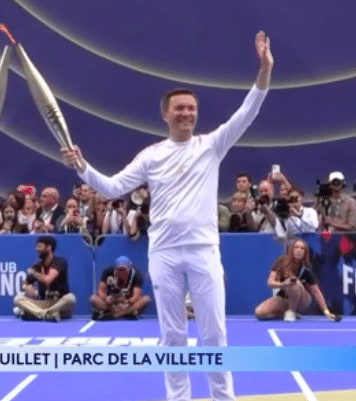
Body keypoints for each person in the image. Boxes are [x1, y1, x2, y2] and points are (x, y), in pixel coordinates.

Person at [61, 31, 273, 401]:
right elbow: (111, 188)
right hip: (164, 254)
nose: (187, 113)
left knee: (214, 334)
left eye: (192, 108)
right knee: (172, 335)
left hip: (204, 251)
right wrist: (83, 168)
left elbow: (249, 110)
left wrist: (265, 69)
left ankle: (223, 397)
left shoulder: (212, 144)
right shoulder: (151, 156)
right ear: (165, 114)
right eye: (180, 108)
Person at [254, 238, 341, 322]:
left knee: (294, 282)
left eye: (302, 248)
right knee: (260, 312)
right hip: (284, 297)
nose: (299, 250)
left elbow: (316, 292)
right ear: (291, 249)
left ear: (305, 253)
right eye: (296, 247)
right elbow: (270, 282)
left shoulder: (305, 270)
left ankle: (291, 311)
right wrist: (283, 284)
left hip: (303, 300)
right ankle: (285, 313)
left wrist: (327, 312)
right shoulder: (280, 262)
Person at [13, 236, 77, 321]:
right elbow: (25, 283)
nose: (37, 249)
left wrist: (34, 273)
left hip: (59, 303)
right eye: (36, 247)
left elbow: (47, 280)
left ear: (49, 247)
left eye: (39, 246)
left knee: (71, 298)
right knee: (18, 299)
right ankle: (45, 314)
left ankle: (37, 314)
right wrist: (27, 288)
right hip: (44, 302)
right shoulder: (37, 266)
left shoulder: (60, 262)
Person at [90, 256, 151, 320]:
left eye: (124, 270)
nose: (122, 272)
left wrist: (127, 301)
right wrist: (106, 299)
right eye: (120, 270)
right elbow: (100, 291)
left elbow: (136, 295)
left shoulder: (135, 274)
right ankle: (125, 314)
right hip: (110, 303)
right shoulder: (107, 272)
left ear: (129, 268)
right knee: (93, 299)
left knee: (146, 299)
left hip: (126, 304)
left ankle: (115, 315)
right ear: (115, 269)